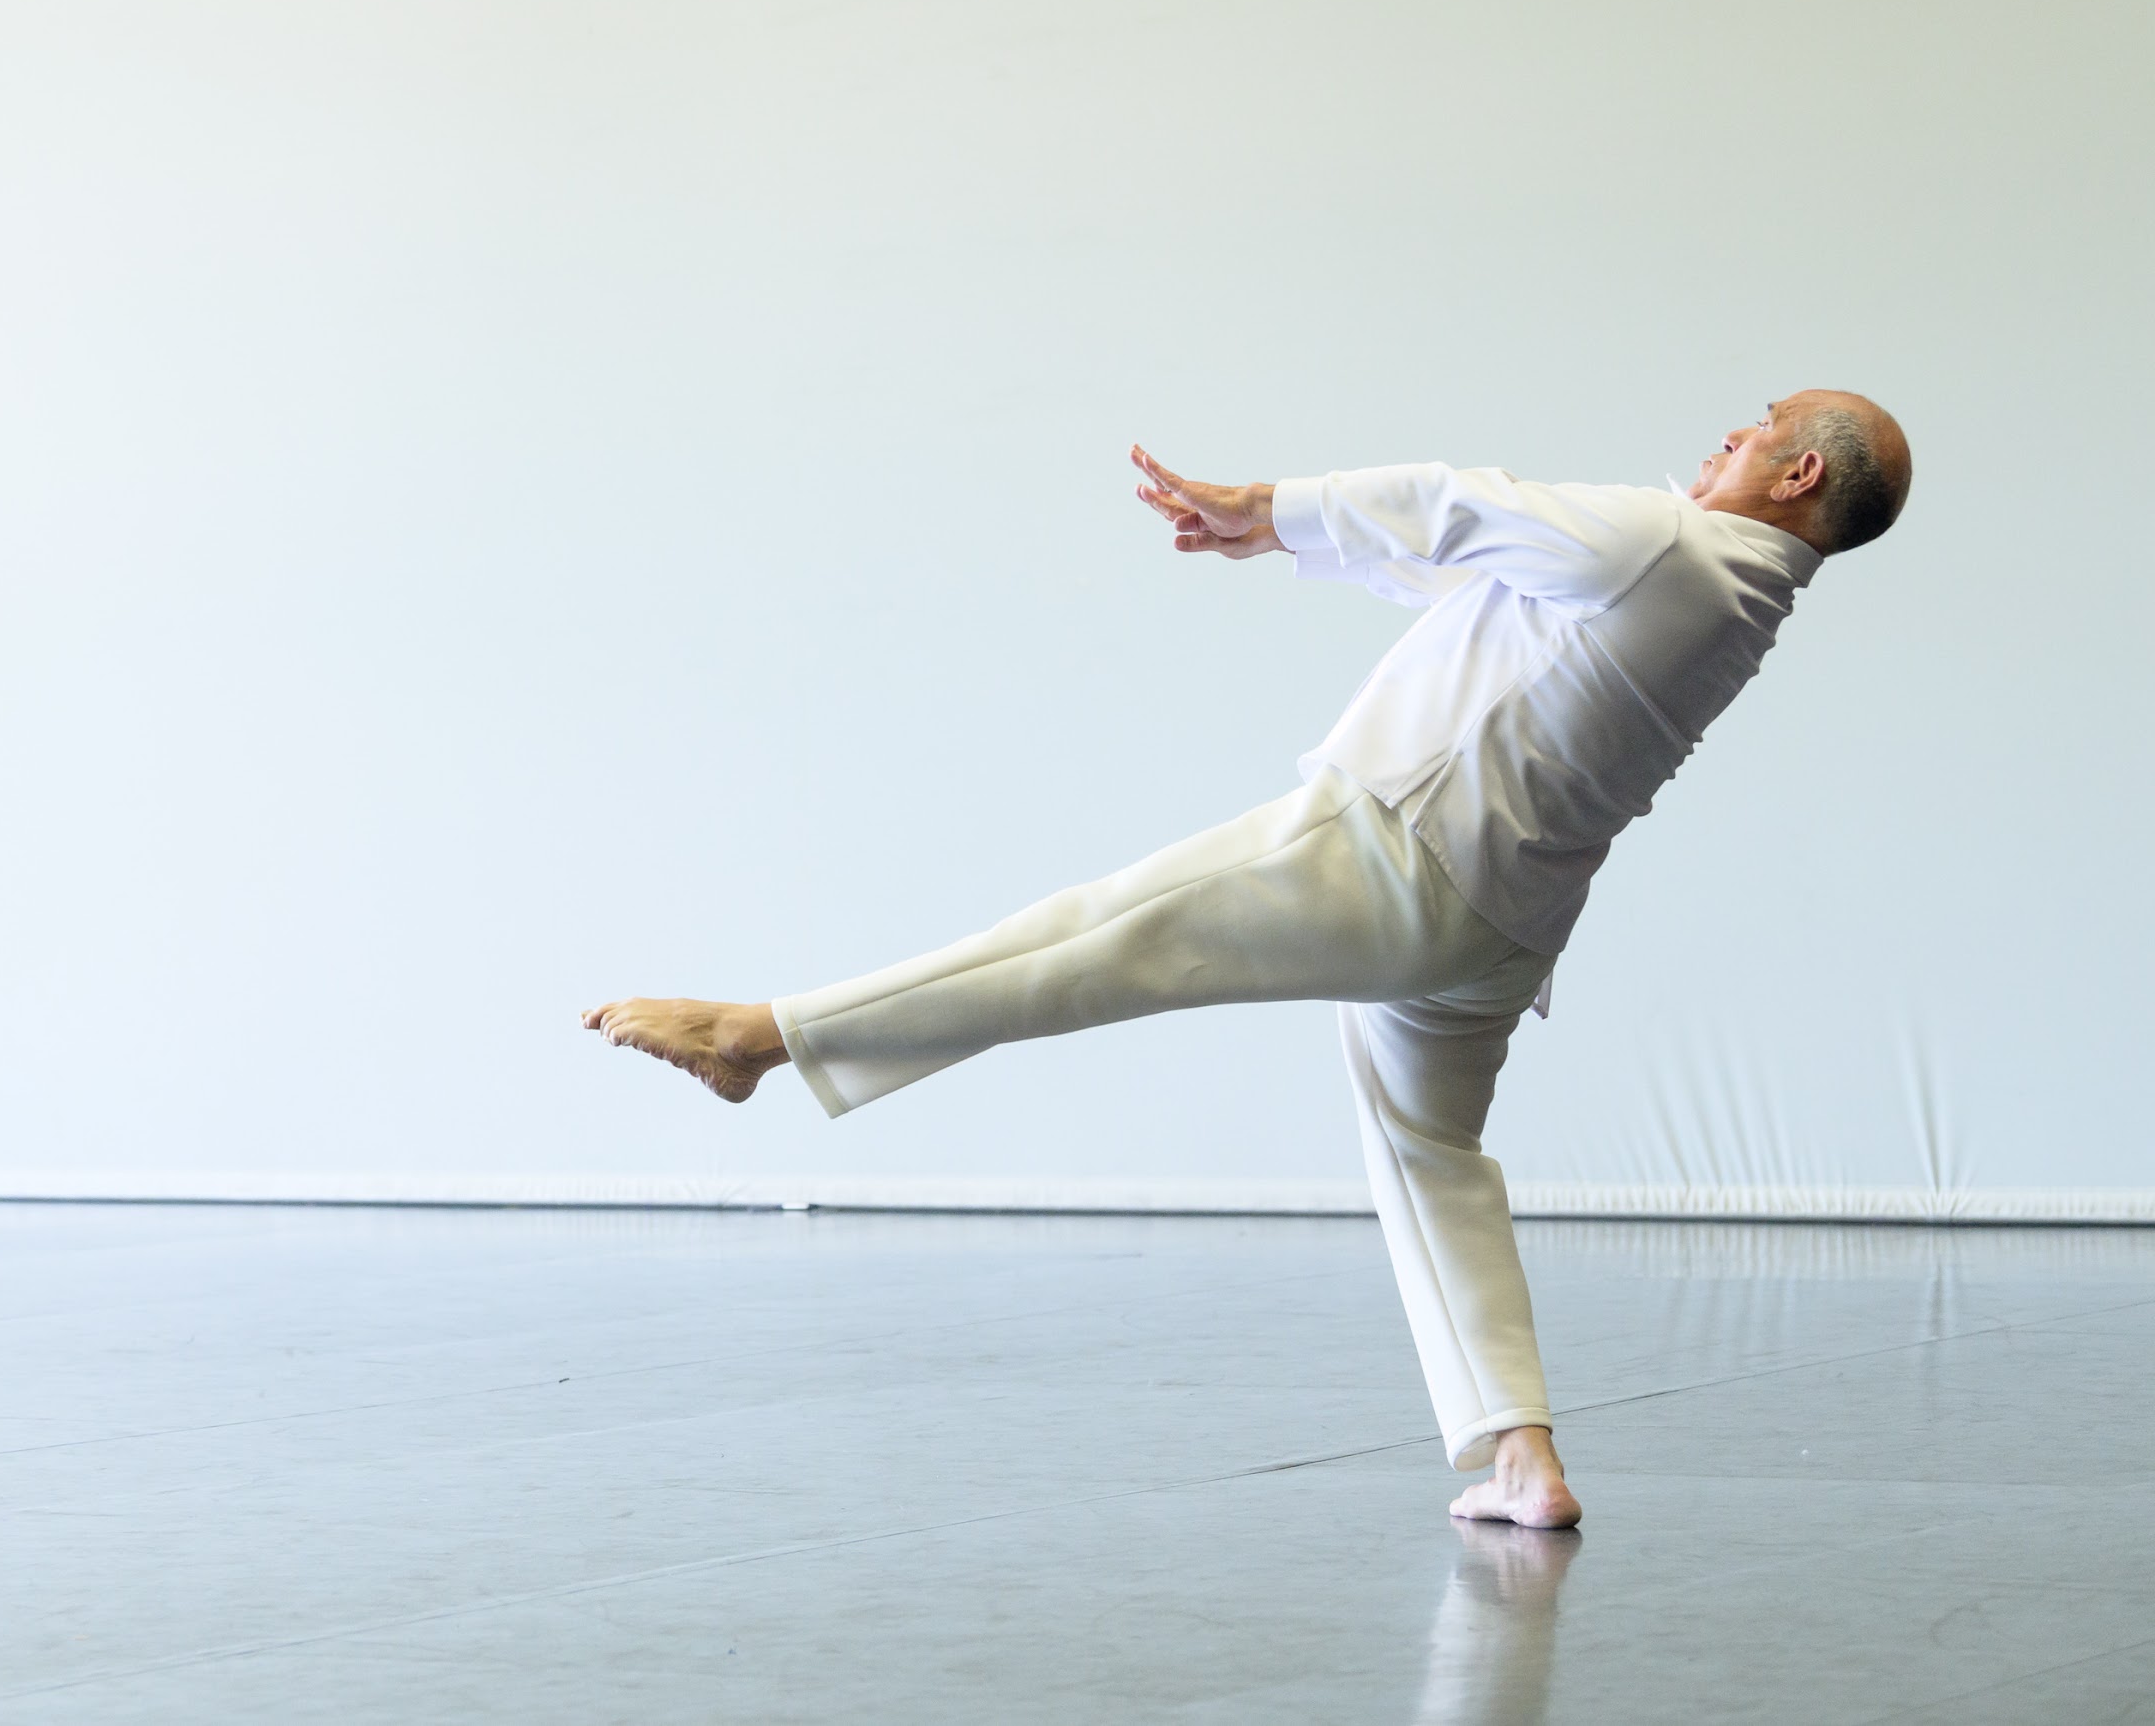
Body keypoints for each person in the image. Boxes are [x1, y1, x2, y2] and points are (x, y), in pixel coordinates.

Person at [583, 390, 1912, 1530]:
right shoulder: (1738, 603)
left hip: (1390, 856)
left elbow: (1458, 503)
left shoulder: (1670, 541)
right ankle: (1522, 1457)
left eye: (1757, 426)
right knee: (1434, 1162)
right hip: (1499, 932)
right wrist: (1282, 538)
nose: (1723, 435)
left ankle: (762, 1034)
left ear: (1797, 473)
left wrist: (1268, 506)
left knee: (1096, 935)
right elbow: (1488, 579)